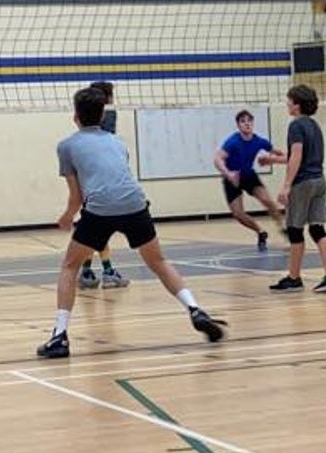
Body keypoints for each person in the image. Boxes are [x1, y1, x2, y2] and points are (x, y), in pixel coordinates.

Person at [37, 86, 227, 358]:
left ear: (75, 116)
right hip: (135, 204)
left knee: (69, 266)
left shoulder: (66, 146)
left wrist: (67, 217)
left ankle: (59, 337)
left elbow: (77, 196)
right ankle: (195, 309)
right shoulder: (117, 142)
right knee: (159, 262)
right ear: (103, 115)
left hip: (100, 209)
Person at [263, 84, 326, 293]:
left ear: (296, 105)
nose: (287, 104)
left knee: (295, 231)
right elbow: (300, 156)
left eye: (289, 101)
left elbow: (297, 156)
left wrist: (286, 186)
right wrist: (273, 159)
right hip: (319, 181)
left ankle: (294, 278)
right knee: (317, 228)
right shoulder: (314, 125)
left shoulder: (296, 126)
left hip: (303, 183)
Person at [76, 81, 131, 289]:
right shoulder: (108, 113)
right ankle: (102, 272)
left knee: (96, 229)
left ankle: (91, 272)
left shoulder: (89, 118)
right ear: (106, 98)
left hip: (90, 178)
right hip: (105, 182)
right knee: (98, 229)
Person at [214, 109, 285, 250]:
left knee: (267, 201)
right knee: (238, 214)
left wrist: (283, 157)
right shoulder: (233, 142)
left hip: (249, 176)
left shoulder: (259, 141)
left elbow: (278, 153)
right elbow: (217, 159)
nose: (247, 124)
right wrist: (228, 174)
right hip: (232, 178)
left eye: (249, 121)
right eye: (243, 121)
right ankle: (260, 231)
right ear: (238, 125)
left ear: (253, 123)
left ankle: (283, 227)